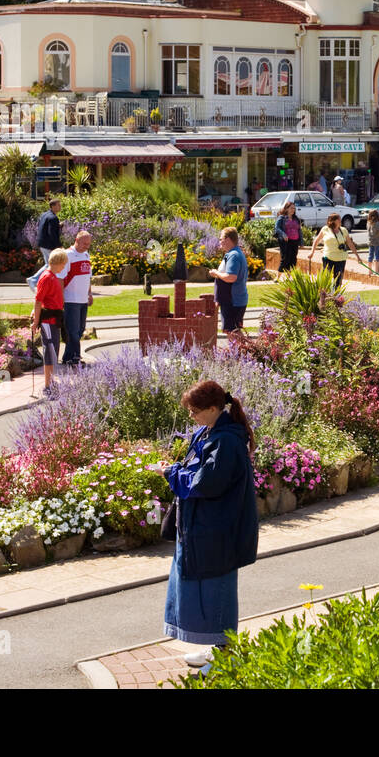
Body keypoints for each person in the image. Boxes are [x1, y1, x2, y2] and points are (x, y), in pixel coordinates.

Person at [163, 380, 259, 669]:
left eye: (195, 411)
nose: (191, 416)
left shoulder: (226, 441)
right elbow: (193, 471)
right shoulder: (209, 433)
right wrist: (175, 472)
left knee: (218, 589)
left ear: (214, 409)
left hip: (218, 529)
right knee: (206, 588)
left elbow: (206, 483)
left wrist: (170, 473)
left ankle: (227, 655)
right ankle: (220, 649)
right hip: (204, 526)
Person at [30, 248, 68, 393]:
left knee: (54, 351)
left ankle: (51, 382)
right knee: (50, 352)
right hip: (48, 321)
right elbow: (38, 300)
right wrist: (35, 321)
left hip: (55, 319)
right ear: (57, 263)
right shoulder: (47, 277)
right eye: (63, 264)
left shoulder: (53, 276)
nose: (64, 267)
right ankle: (47, 385)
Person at [60, 230, 93, 367]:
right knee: (72, 331)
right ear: (77, 240)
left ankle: (68, 357)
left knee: (80, 329)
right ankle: (75, 358)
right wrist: (61, 297)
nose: (87, 246)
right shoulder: (68, 255)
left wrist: (89, 293)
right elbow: (61, 278)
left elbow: (88, 277)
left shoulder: (86, 255)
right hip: (71, 299)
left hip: (82, 299)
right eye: (84, 243)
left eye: (89, 244)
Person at [209, 226, 249, 334]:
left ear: (227, 239)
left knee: (232, 331)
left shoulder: (234, 255)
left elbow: (231, 277)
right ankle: (241, 351)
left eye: (221, 239)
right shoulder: (231, 254)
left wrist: (216, 273)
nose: (220, 241)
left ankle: (240, 351)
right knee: (232, 331)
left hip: (234, 301)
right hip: (232, 300)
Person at [310, 212, 364, 288]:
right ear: (333, 221)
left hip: (341, 258)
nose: (340, 221)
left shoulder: (344, 230)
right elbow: (316, 240)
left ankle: (337, 297)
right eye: (338, 219)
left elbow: (350, 243)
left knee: (338, 280)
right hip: (328, 257)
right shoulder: (325, 229)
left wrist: (357, 256)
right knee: (326, 279)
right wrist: (312, 252)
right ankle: (324, 296)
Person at [27, 198, 63, 292]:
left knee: (48, 264)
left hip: (42, 243)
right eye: (58, 205)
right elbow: (52, 234)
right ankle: (33, 280)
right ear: (53, 206)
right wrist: (58, 246)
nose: (60, 207)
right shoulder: (53, 218)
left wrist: (58, 226)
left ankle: (42, 282)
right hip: (48, 245)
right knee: (49, 264)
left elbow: (45, 227)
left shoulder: (45, 214)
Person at [274, 201, 301, 277]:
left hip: (295, 241)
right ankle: (278, 277)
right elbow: (277, 228)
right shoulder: (281, 218)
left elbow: (299, 230)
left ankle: (289, 277)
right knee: (285, 259)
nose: (293, 210)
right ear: (286, 208)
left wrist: (301, 242)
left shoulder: (296, 219)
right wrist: (283, 234)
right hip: (286, 241)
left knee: (293, 259)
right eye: (291, 208)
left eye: (294, 208)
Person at [366, 209, 379, 275]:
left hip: (370, 241)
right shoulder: (377, 223)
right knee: (377, 255)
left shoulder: (368, 223)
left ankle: (369, 271)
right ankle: (376, 271)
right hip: (377, 242)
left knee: (370, 255)